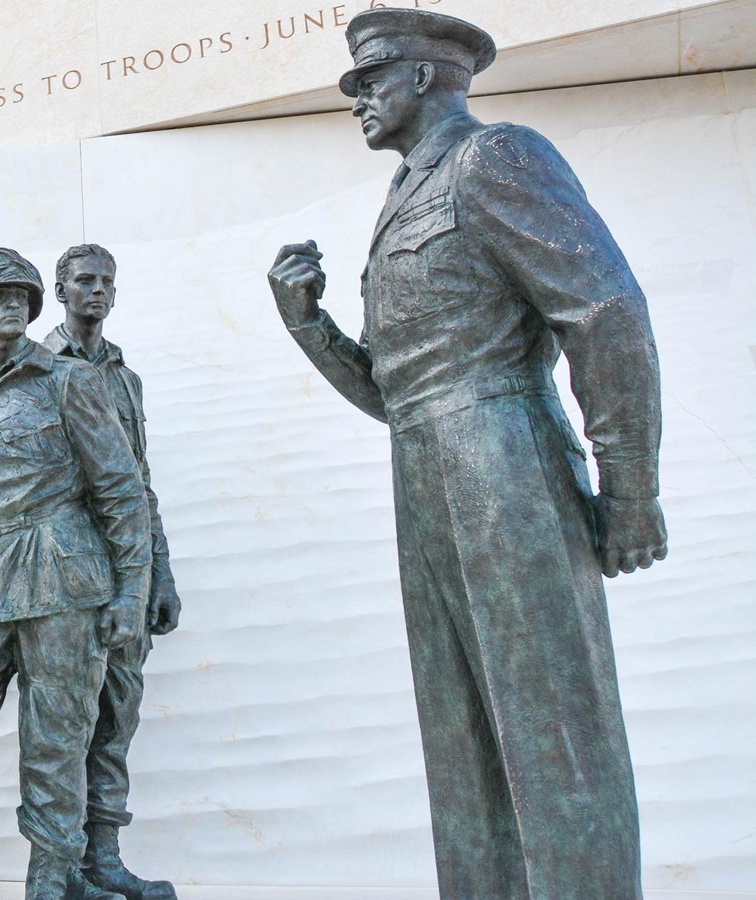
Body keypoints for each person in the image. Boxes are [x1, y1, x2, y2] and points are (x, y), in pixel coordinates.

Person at [267, 9, 666, 897]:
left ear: (422, 77)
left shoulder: (496, 159)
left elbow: (605, 312)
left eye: (371, 81)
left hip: (507, 461)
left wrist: (630, 489)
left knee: (553, 726)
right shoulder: (407, 191)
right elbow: (399, 392)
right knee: (462, 731)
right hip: (426, 465)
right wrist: (310, 325)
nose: (359, 100)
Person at [0, 247, 150, 900]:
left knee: (56, 747)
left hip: (64, 576)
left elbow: (120, 490)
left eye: (22, 292)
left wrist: (133, 589)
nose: (13, 301)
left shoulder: (68, 381)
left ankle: (54, 884)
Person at [42, 244, 178, 900]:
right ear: (59, 289)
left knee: (116, 714)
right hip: (61, 571)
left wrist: (161, 574)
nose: (95, 291)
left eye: (106, 283)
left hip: (127, 570)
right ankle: (61, 867)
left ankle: (104, 858)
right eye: (83, 281)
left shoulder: (127, 378)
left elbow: (140, 483)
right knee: (62, 723)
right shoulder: (33, 368)